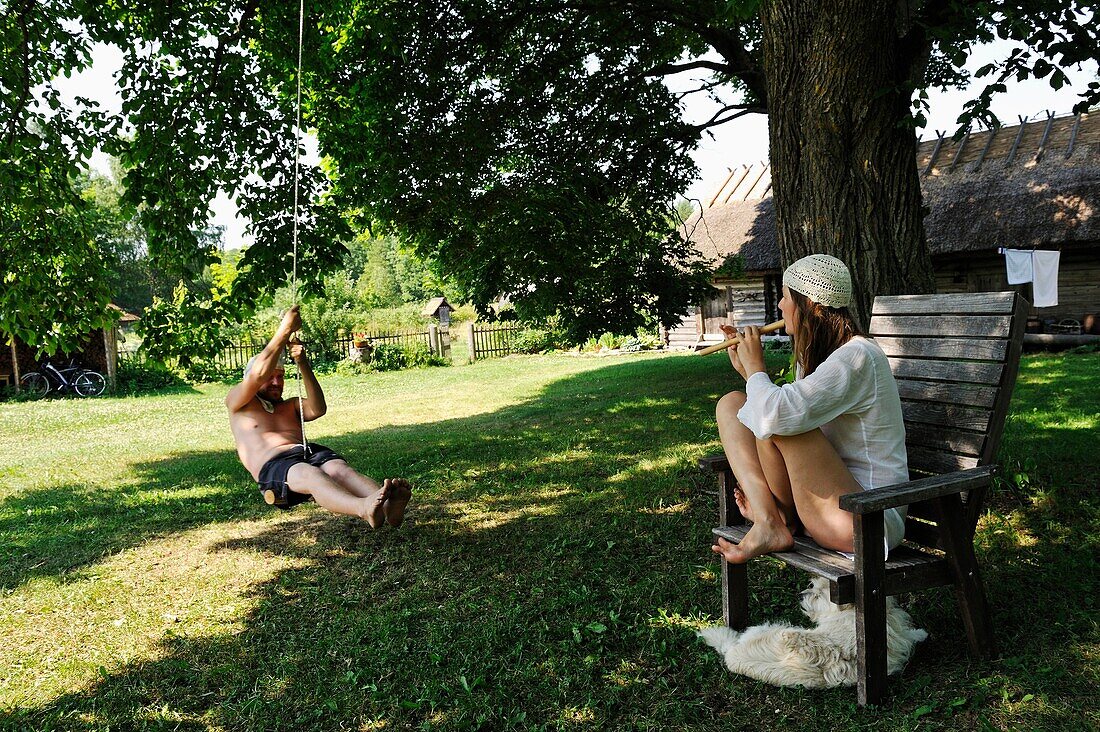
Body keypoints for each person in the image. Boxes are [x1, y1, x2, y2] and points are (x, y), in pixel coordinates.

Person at [710, 254, 907, 564]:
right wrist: (749, 376)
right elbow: (773, 412)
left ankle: (774, 520)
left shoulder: (857, 358)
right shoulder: (818, 358)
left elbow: (778, 416)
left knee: (779, 419)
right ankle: (770, 518)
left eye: (787, 297)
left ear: (811, 304)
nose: (780, 306)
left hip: (867, 516)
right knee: (732, 404)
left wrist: (756, 369)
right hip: (824, 504)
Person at [226, 305, 411, 527]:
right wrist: (285, 329)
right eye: (271, 377)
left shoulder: (290, 405)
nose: (277, 382)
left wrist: (302, 362)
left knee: (339, 470)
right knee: (309, 473)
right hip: (276, 467)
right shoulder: (239, 402)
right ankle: (363, 508)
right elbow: (257, 374)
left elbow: (318, 408)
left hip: (307, 452)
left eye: (281, 376)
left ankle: (389, 506)